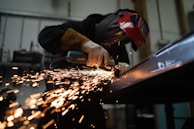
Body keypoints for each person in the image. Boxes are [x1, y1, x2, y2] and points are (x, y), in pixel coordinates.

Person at [38, 8, 149, 129]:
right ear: (113, 21)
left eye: (125, 39)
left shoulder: (118, 47)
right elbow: (46, 35)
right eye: (120, 34)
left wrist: (125, 73)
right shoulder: (80, 28)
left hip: (91, 111)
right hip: (57, 106)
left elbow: (122, 77)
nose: (119, 40)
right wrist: (85, 44)